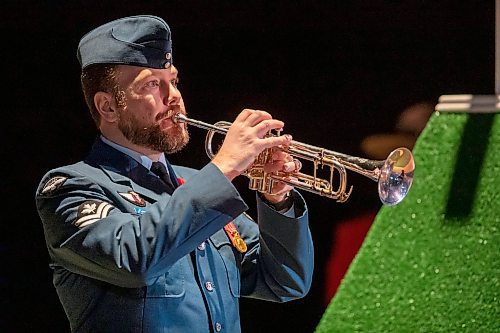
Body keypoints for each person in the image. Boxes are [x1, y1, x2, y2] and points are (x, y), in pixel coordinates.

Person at [35, 15, 314, 333]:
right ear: (108, 107)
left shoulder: (197, 183)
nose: (174, 96)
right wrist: (224, 167)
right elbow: (135, 261)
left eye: (174, 81)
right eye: (152, 84)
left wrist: (277, 199)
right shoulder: (70, 187)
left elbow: (285, 282)